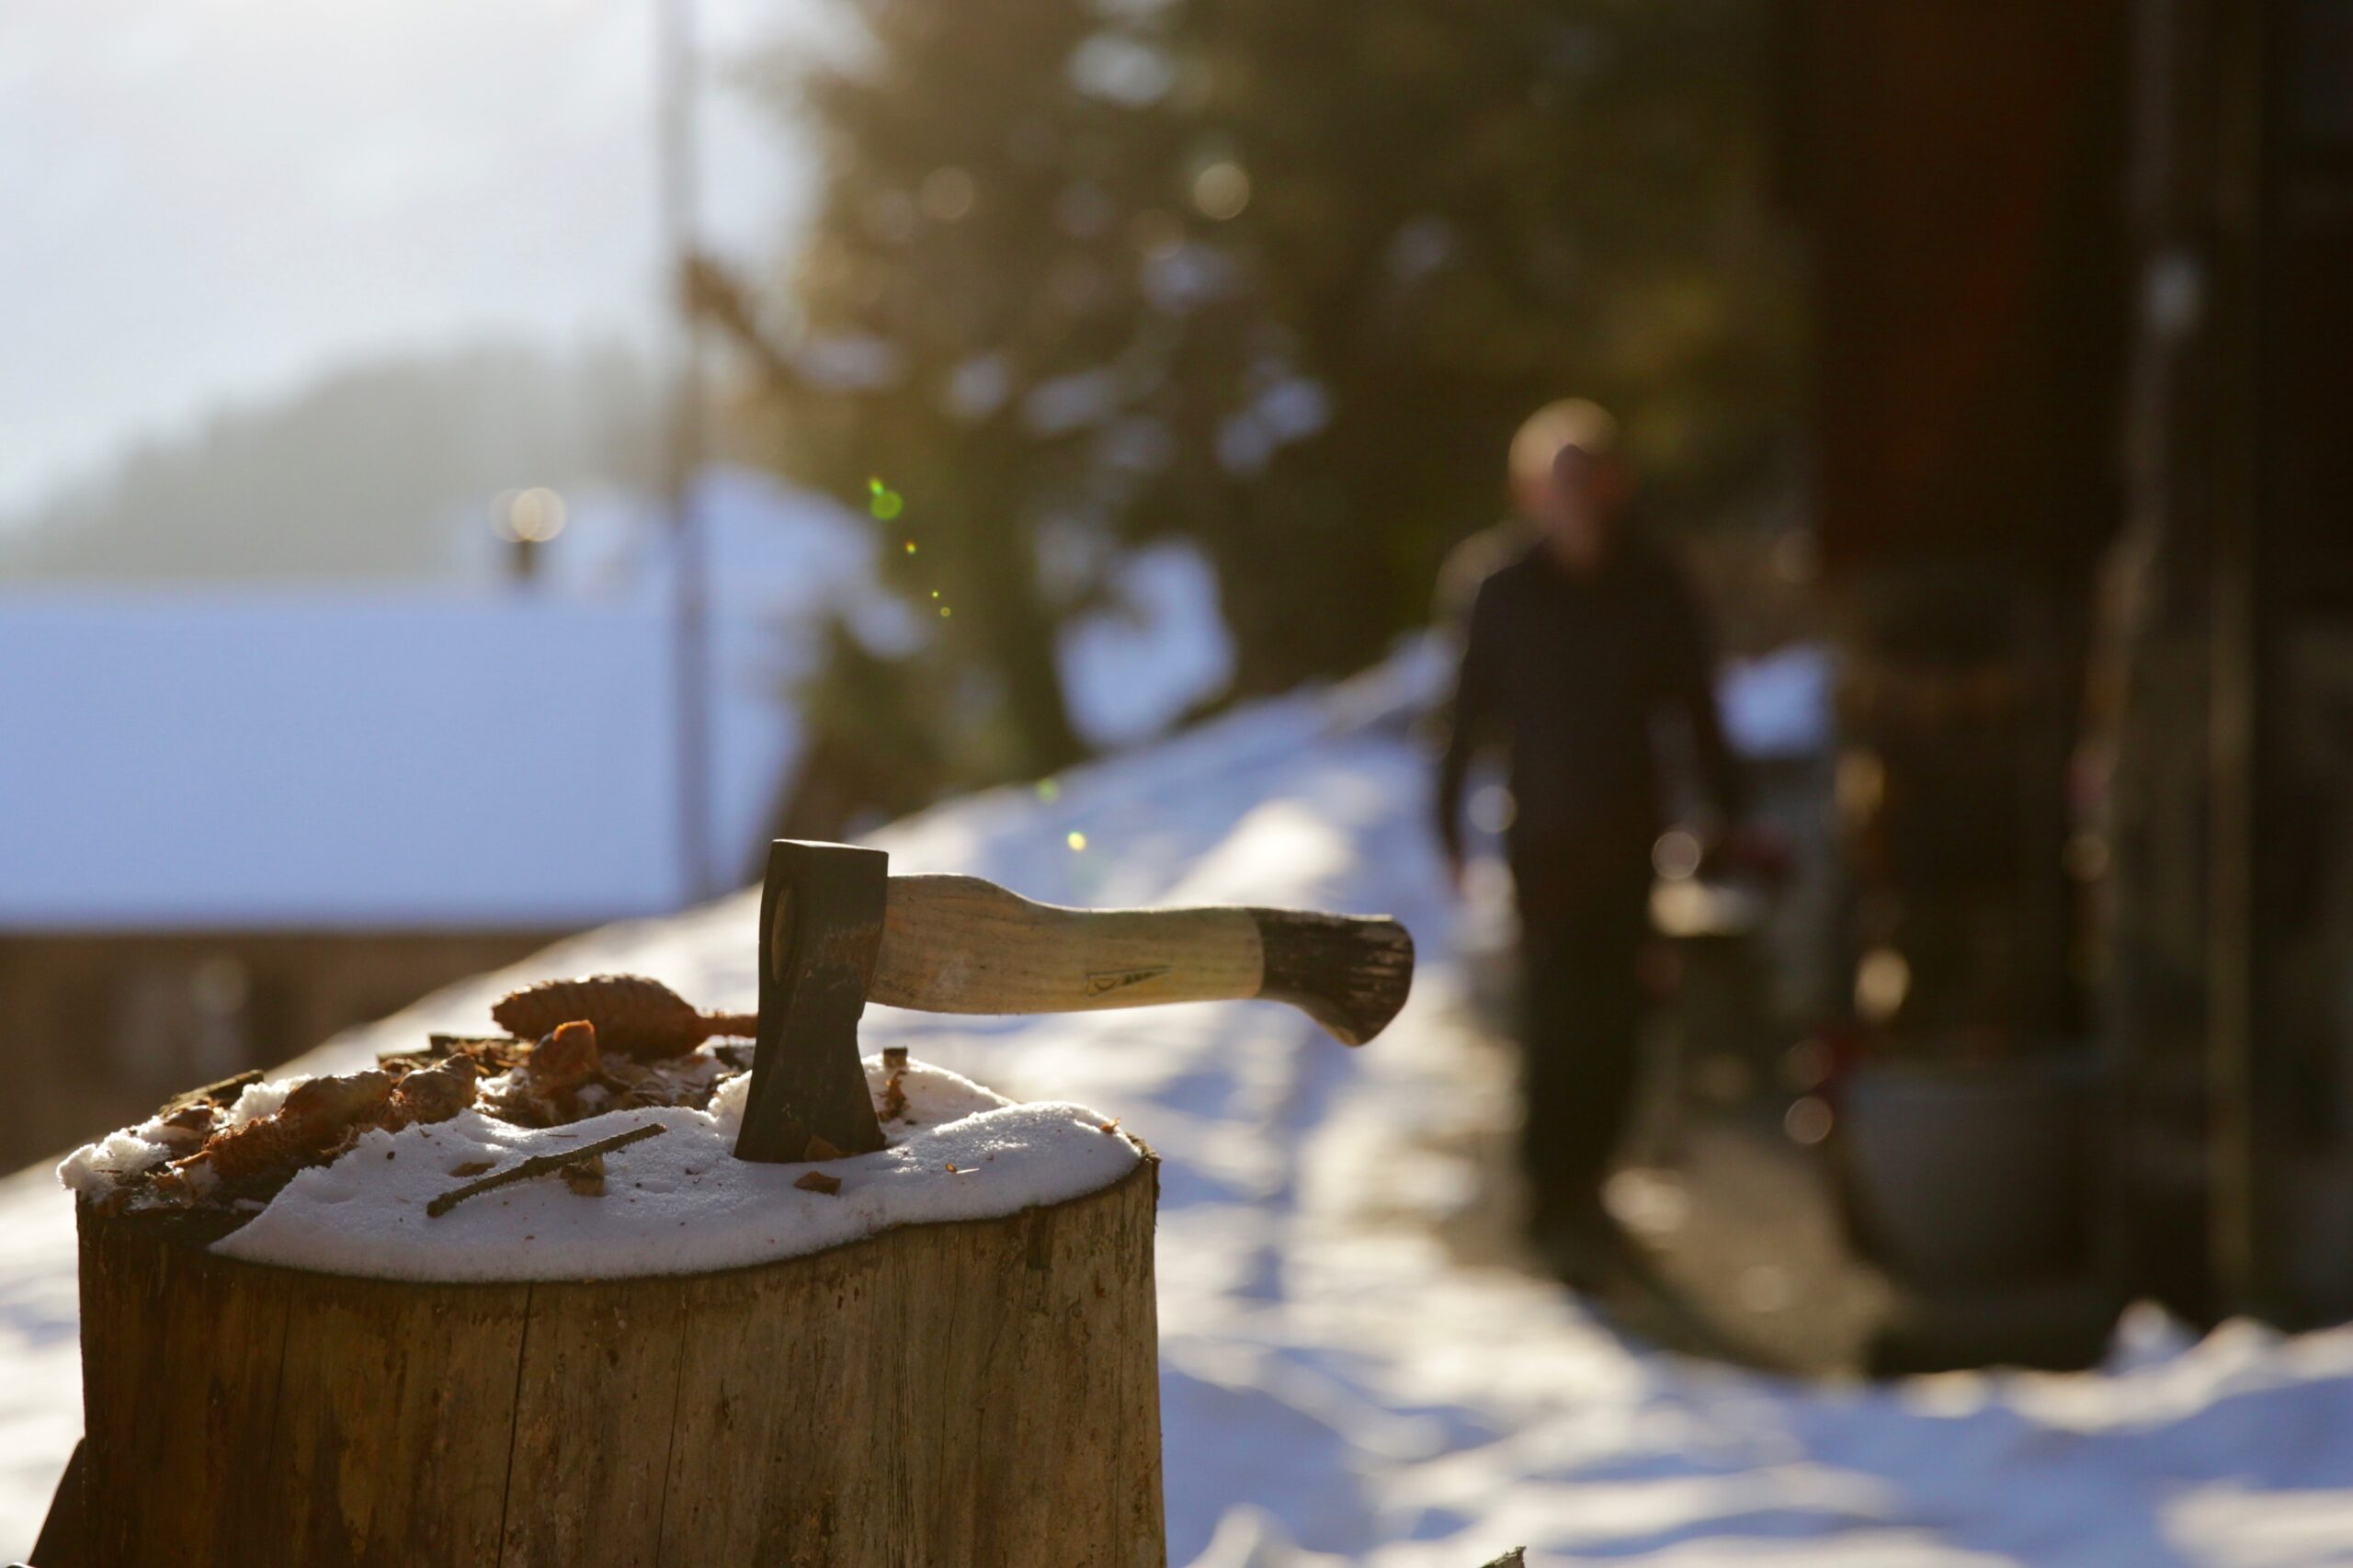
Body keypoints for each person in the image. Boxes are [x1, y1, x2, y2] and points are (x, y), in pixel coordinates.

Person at [1434, 399, 1751, 1285]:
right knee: (1555, 1014)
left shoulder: (1652, 583)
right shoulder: (1500, 589)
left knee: (1618, 1016)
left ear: (1613, 486)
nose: (1572, 496)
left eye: (1586, 476)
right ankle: (1549, 1194)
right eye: (1555, 479)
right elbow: (1463, 717)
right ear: (1530, 490)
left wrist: (1725, 808)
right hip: (1541, 841)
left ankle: (1592, 1185)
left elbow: (1697, 703)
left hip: (1629, 835)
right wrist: (1446, 819)